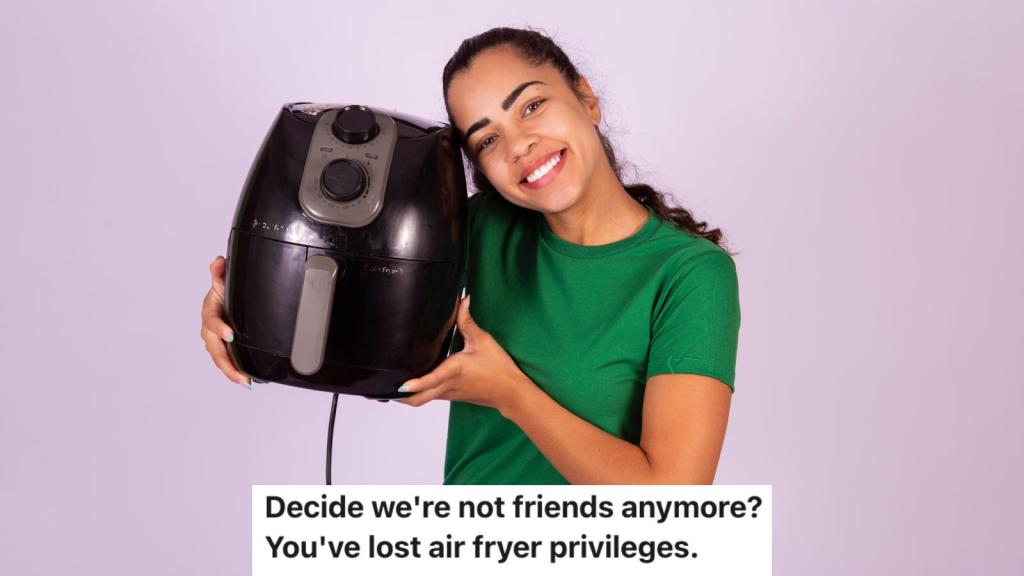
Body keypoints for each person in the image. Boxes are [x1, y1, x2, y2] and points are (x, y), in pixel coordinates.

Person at [200, 27, 740, 485]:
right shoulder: (474, 233)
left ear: (587, 99)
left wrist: (510, 394)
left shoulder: (690, 275)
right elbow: (360, 335)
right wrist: (248, 309)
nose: (519, 145)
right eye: (486, 140)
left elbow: (674, 497)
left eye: (532, 106)